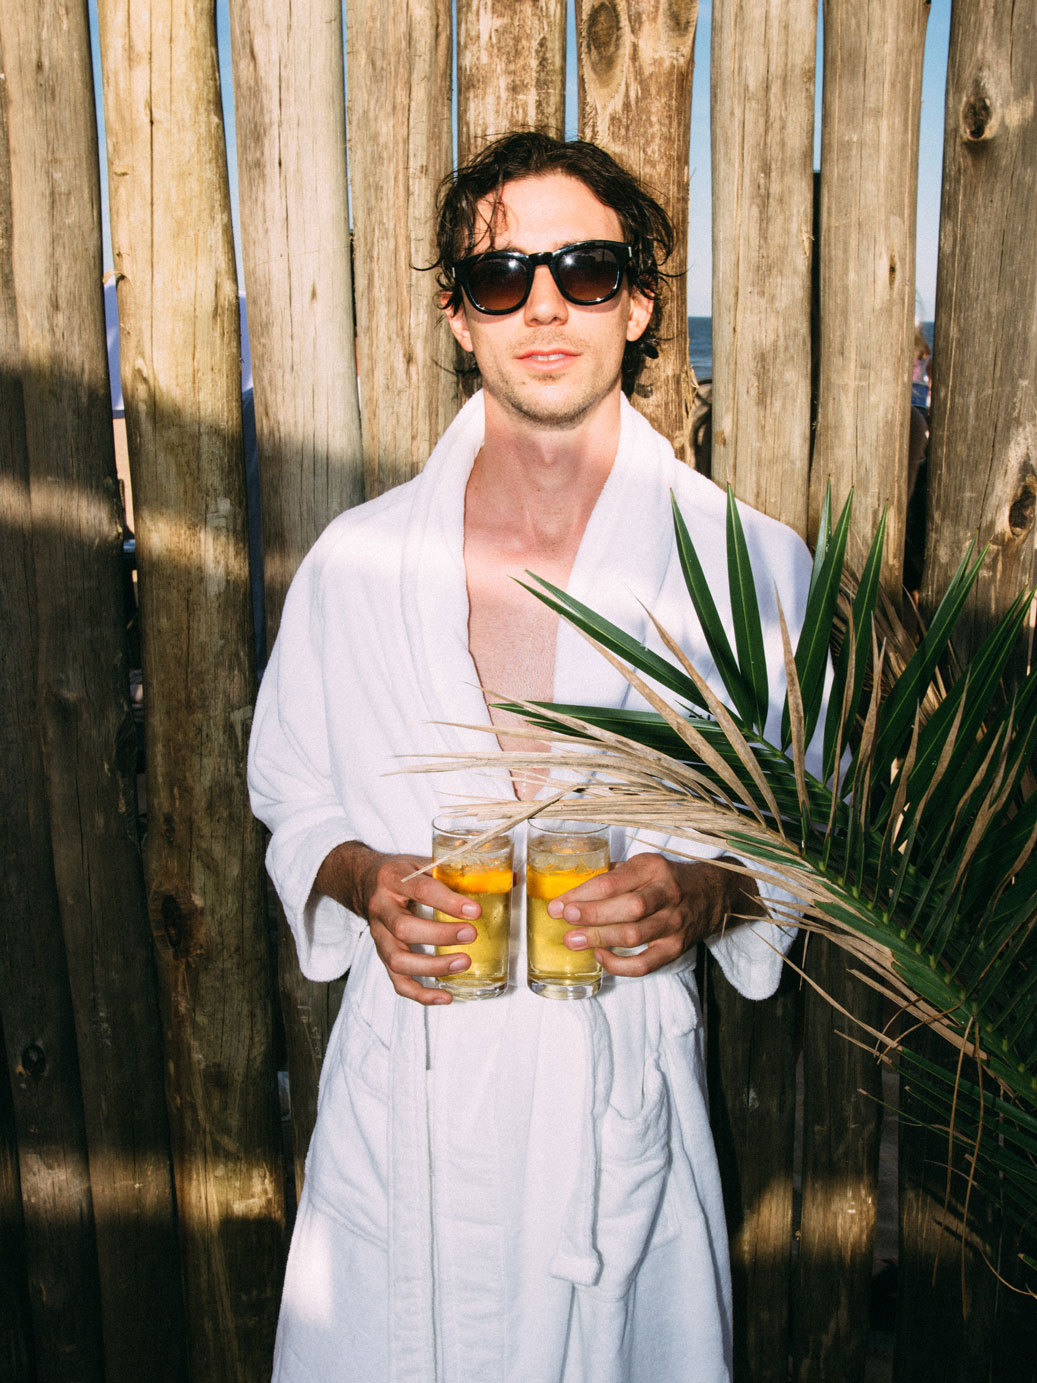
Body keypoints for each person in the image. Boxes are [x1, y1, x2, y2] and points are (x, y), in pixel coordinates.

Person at [248, 131, 816, 1383]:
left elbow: (803, 834)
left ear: (640, 303)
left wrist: (703, 891)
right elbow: (292, 797)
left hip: (612, 1125)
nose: (543, 304)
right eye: (501, 276)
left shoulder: (748, 565)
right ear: (459, 317)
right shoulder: (356, 564)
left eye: (585, 268)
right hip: (407, 1113)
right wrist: (359, 879)